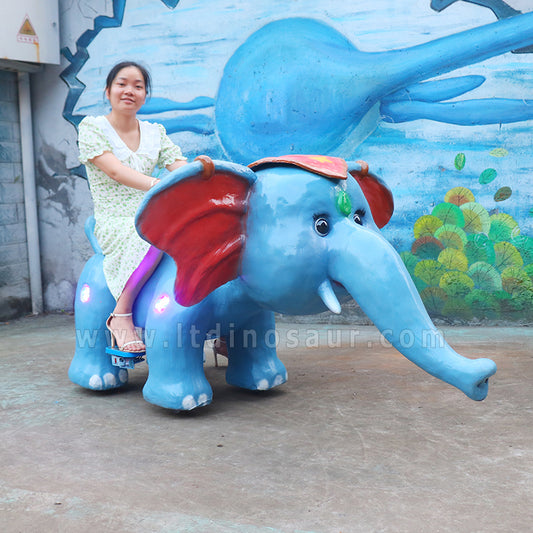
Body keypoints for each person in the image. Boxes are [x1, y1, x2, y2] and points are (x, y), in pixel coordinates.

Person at [78, 61, 187, 353]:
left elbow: (178, 167)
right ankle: (121, 315)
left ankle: (223, 326)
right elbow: (115, 171)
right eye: (122, 84)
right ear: (108, 90)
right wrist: (157, 186)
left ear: (145, 95)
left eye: (138, 86)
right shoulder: (92, 128)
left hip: (151, 213)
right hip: (116, 220)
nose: (130, 91)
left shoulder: (155, 132)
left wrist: (203, 172)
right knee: (154, 231)